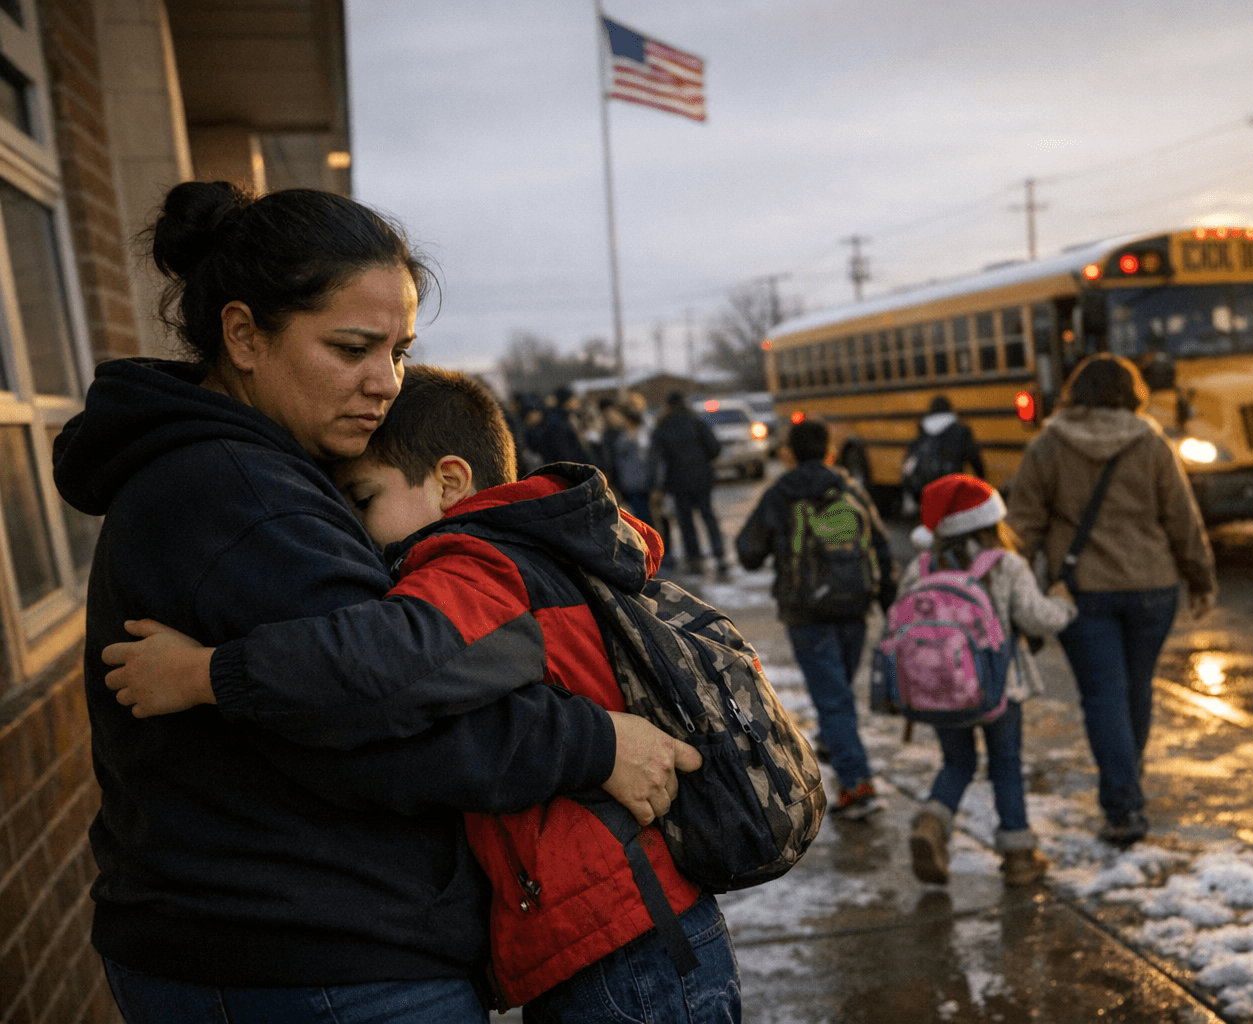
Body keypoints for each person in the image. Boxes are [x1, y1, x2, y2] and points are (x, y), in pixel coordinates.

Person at [52, 181, 695, 1023]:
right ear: (243, 334)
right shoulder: (248, 495)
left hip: (287, 947)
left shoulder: (248, 469)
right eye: (353, 348)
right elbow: (387, 700)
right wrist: (593, 740)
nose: (386, 382)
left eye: (397, 351)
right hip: (311, 964)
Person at [105, 366, 742, 1020]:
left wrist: (204, 674)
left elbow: (381, 665)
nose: (354, 529)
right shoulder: (536, 551)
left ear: (449, 483)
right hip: (621, 928)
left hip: (629, 944)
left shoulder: (482, 566)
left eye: (364, 497)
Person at [1004, 353, 1217, 847]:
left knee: (1104, 696)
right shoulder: (1151, 443)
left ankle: (1122, 806)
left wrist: (1010, 586)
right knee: (1136, 690)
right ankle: (1126, 786)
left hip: (1083, 595)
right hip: (1153, 589)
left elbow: (1023, 526)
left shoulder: (1049, 445)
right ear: (1132, 391)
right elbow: (1182, 518)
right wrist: (1200, 576)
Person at [897, 475, 1076, 886]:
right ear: (991, 520)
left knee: (958, 762)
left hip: (940, 690)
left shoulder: (921, 567)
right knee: (1005, 765)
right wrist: (1064, 605)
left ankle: (931, 821)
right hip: (1000, 689)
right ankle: (1018, 857)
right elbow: (1035, 618)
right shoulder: (1005, 565)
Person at [735, 418, 896, 819]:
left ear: (789, 452)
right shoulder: (850, 489)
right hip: (855, 608)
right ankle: (835, 742)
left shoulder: (781, 494)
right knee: (838, 694)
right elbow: (881, 545)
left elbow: (747, 553)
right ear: (830, 451)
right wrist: (891, 608)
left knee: (833, 698)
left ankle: (858, 787)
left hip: (807, 613)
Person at [650, 390, 727, 575]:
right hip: (702, 478)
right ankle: (720, 556)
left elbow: (657, 461)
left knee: (686, 522)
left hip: (677, 482)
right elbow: (714, 448)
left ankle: (694, 559)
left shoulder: (662, 429)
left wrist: (657, 486)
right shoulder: (697, 423)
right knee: (708, 517)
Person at [902, 395, 987, 504]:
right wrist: (982, 479)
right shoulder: (960, 431)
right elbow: (974, 458)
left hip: (925, 489)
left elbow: (909, 464)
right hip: (951, 487)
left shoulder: (923, 434)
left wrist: (907, 490)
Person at [601, 400, 654, 527]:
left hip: (633, 483)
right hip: (639, 483)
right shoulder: (636, 436)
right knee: (644, 517)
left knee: (643, 518)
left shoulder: (623, 438)